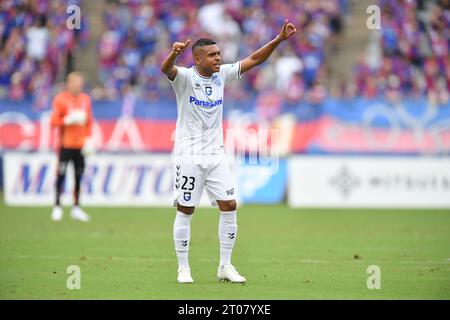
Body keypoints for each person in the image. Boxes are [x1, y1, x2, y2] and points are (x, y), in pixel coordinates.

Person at [161, 19, 296, 283]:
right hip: (188, 155)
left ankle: (225, 266)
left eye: (219, 54)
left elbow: (255, 59)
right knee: (186, 210)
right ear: (197, 59)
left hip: (216, 154)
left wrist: (279, 39)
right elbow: (166, 70)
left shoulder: (222, 75)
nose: (218, 59)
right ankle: (183, 268)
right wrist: (173, 54)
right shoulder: (186, 78)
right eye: (212, 55)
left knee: (230, 205)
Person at [50, 72, 94, 222]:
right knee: (61, 176)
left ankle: (76, 208)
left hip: (80, 146)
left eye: (80, 83)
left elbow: (89, 121)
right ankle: (57, 206)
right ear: (68, 84)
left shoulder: (85, 99)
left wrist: (88, 139)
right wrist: (67, 120)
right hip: (65, 145)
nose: (78, 86)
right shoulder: (61, 99)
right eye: (75, 83)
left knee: (78, 177)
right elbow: (53, 121)